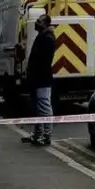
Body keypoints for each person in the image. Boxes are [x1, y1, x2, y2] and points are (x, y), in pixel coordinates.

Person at [23, 14, 56, 147]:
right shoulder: (42, 36)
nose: (36, 23)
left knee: (44, 106)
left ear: (46, 24)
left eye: (39, 21)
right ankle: (38, 134)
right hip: (37, 79)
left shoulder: (47, 38)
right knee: (38, 107)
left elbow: (44, 61)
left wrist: (35, 75)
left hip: (42, 79)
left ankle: (46, 135)